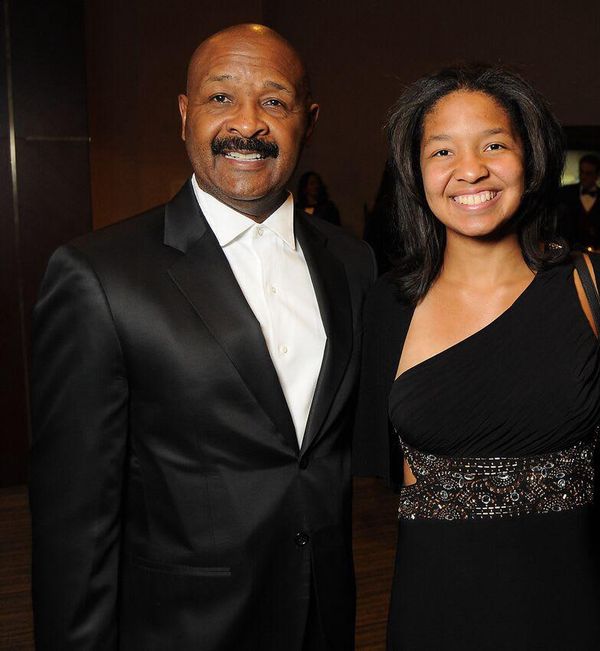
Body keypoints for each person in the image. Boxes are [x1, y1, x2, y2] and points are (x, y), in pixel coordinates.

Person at [30, 24, 375, 650]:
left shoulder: (354, 265)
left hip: (323, 619)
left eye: (275, 100)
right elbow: (72, 523)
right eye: (221, 98)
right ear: (185, 115)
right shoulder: (99, 275)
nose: (248, 123)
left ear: (309, 120)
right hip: (182, 628)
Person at [353, 64, 600, 650]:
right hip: (436, 607)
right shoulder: (388, 304)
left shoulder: (595, 288)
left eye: (493, 144)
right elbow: (395, 474)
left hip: (575, 606)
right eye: (441, 151)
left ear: (530, 159)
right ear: (415, 172)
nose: (470, 170)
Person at [557, 153, 600, 250]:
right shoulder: (565, 194)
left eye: (588, 173)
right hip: (571, 252)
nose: (583, 176)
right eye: (581, 172)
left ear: (597, 175)